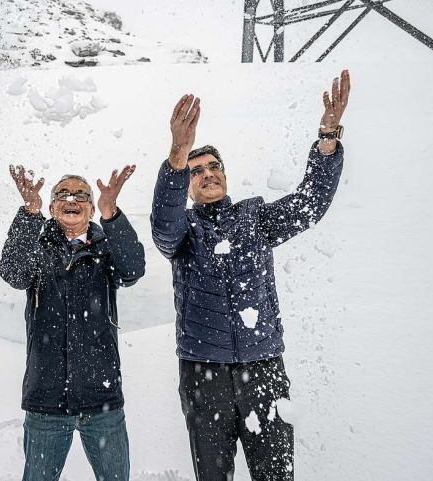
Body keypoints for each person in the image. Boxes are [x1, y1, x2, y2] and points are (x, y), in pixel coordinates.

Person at [150, 70, 351, 481]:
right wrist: (176, 156)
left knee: (276, 476)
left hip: (263, 369)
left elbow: (309, 204)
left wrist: (328, 141)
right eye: (196, 170)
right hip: (204, 373)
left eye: (213, 166)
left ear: (224, 174)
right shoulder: (184, 231)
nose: (207, 173)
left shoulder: (255, 217)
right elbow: (162, 227)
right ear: (187, 186)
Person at [0, 164, 145, 481]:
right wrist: (28, 214)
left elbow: (133, 269)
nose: (72, 199)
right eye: (63, 193)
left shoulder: (106, 250)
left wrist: (113, 216)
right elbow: (12, 272)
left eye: (81, 194)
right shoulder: (37, 249)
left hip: (101, 399)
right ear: (52, 208)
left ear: (91, 208)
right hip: (46, 401)